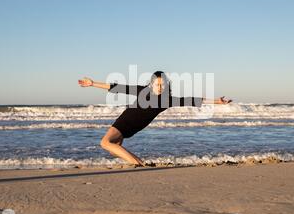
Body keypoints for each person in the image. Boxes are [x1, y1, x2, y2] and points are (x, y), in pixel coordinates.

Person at [78, 71, 232, 166]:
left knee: (104, 143)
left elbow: (192, 99)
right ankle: (139, 163)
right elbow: (117, 87)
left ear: (166, 86)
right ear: (151, 84)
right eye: (157, 84)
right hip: (124, 122)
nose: (159, 87)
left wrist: (217, 101)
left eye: (162, 85)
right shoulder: (141, 91)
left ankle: (138, 164)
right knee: (113, 150)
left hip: (131, 128)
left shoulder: (167, 100)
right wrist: (92, 84)